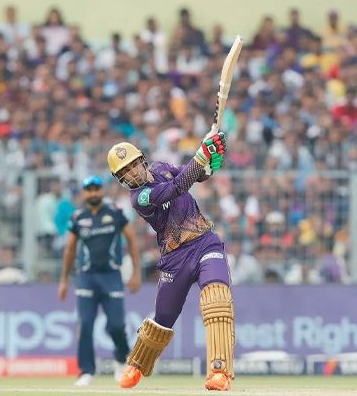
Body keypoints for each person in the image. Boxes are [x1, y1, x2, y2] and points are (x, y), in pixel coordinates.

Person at [106, 129, 233, 391]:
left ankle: (219, 372)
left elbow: (193, 175)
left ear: (142, 160)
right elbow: (177, 188)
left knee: (218, 299)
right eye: (125, 172)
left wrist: (209, 162)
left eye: (133, 165)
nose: (132, 173)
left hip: (204, 241)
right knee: (163, 318)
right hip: (175, 257)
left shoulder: (161, 167)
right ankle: (137, 364)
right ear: (120, 179)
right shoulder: (139, 198)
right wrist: (201, 153)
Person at [58, 175, 142, 386]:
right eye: (89, 189)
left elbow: (132, 241)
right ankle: (86, 371)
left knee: (117, 325)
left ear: (102, 191)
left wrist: (136, 273)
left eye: (97, 189)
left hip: (112, 276)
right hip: (86, 277)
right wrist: (63, 281)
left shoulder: (115, 212)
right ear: (84, 193)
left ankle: (121, 361)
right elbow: (69, 250)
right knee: (85, 324)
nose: (93, 193)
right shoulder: (77, 217)